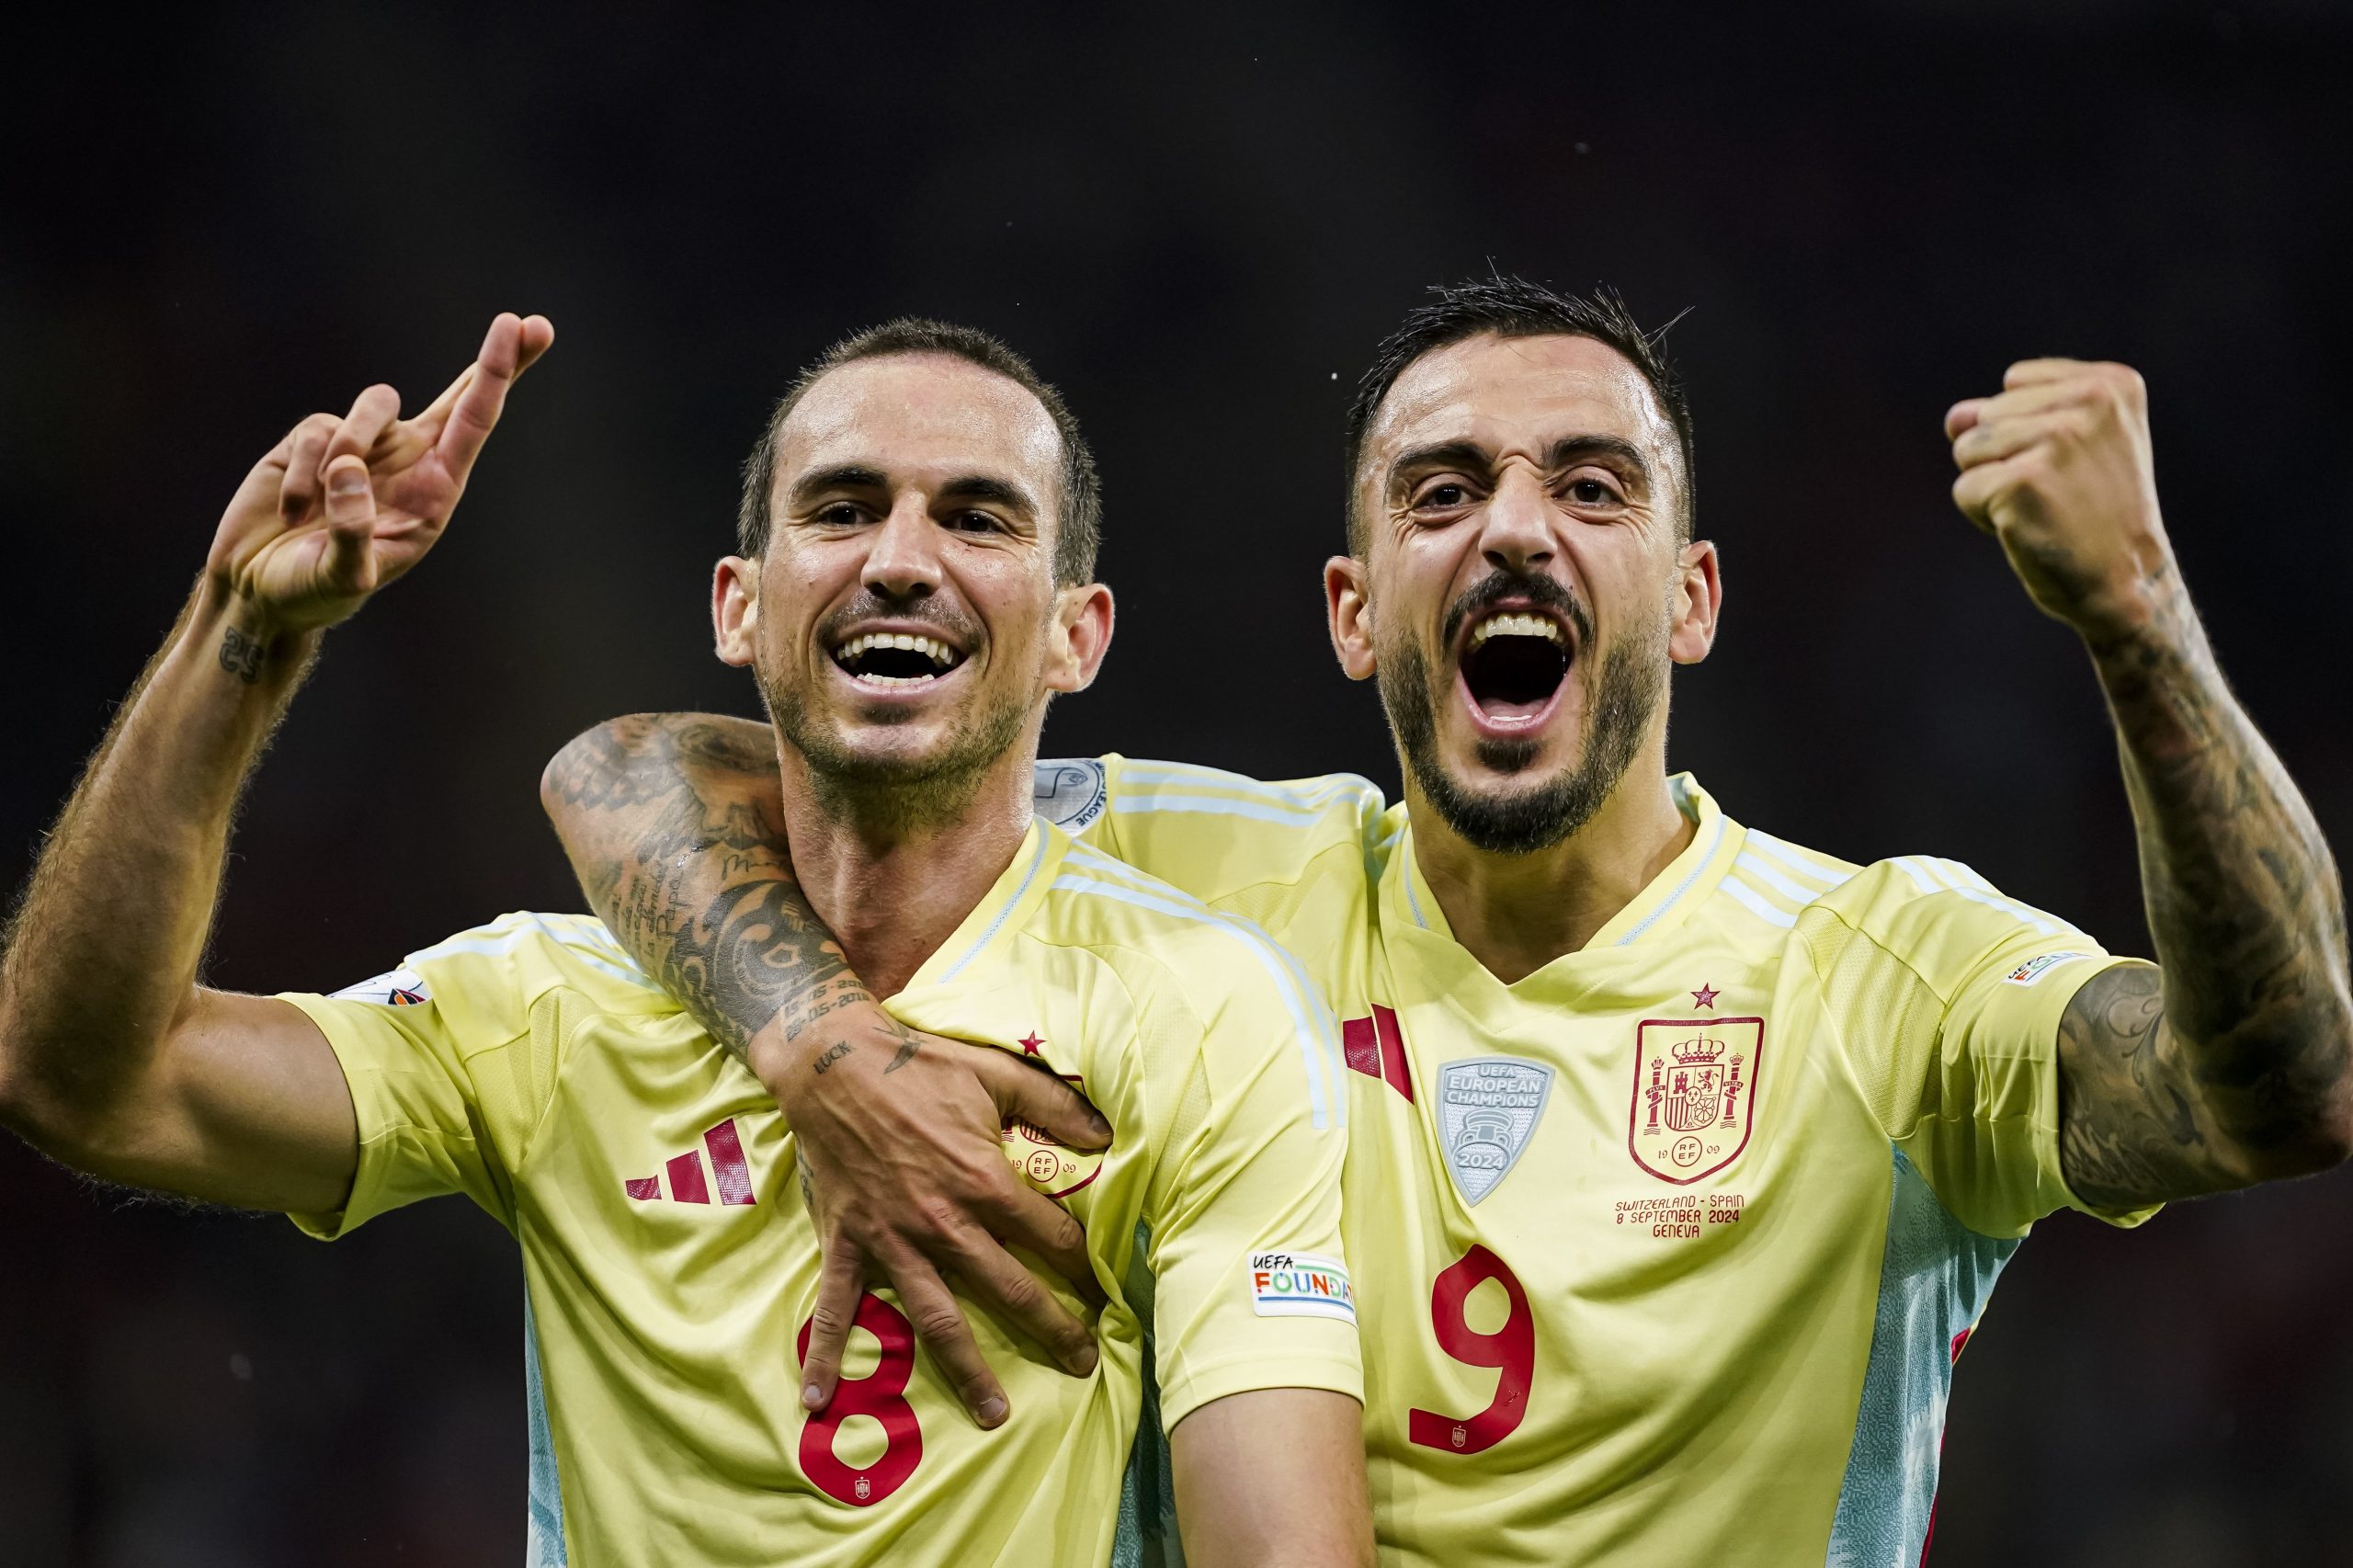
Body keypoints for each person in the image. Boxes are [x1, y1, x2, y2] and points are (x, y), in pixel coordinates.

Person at [545, 278, 2353, 1565]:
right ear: (1350, 610)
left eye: (1587, 484)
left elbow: (2284, 1088)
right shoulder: (1181, 879)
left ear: (1690, 594)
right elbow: (634, 769)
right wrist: (821, 1042)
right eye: (1440, 490)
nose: (1508, 529)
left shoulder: (1876, 972)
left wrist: (2133, 619)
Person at [0, 314, 1376, 1568]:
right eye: (840, 510)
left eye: (978, 517)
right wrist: (238, 628)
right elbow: (86, 1078)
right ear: (737, 606)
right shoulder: (547, 1004)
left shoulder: (1200, 1006)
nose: (902, 561)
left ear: (1078, 635)